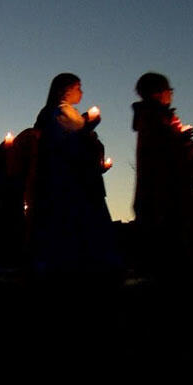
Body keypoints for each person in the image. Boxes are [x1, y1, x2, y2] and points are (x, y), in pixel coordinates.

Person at [31, 73, 118, 277]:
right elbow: (66, 144)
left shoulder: (67, 113)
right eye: (78, 87)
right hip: (71, 183)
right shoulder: (59, 112)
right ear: (64, 90)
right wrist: (87, 127)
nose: (82, 92)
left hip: (77, 179)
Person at [131, 72, 193, 275]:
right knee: (166, 229)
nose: (171, 94)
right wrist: (181, 140)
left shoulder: (154, 116)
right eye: (168, 90)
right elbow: (161, 147)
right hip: (164, 185)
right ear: (158, 92)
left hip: (155, 184)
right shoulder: (154, 117)